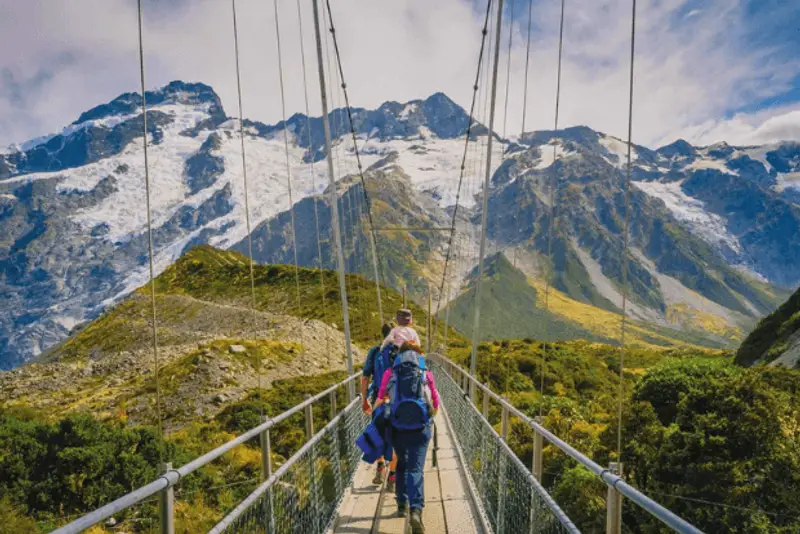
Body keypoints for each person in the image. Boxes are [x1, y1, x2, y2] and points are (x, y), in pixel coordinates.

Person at [374, 344, 440, 534]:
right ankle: (416, 511)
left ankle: (402, 504)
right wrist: (429, 417)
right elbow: (435, 401)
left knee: (402, 463)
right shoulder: (425, 373)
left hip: (398, 429)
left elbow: (381, 397)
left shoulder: (390, 373)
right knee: (415, 468)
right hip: (420, 430)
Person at [361, 323, 399, 489]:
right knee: (396, 436)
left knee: (377, 433)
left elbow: (365, 377)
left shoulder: (375, 352)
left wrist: (364, 399)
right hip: (397, 400)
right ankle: (393, 475)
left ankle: (381, 466)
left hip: (378, 399)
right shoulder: (400, 351)